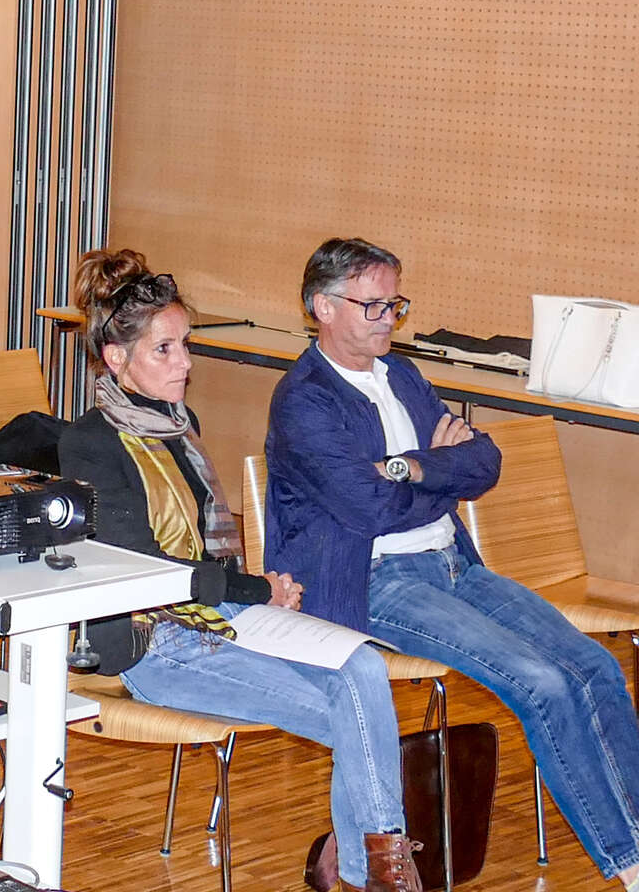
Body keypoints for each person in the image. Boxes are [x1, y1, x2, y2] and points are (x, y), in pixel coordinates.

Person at [268, 237, 639, 889]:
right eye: (374, 305)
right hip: (375, 582)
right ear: (323, 307)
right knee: (541, 683)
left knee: (594, 666)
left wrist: (409, 468)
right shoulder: (305, 400)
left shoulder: (401, 375)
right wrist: (435, 471)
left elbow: (484, 464)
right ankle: (627, 861)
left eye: (396, 304)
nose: (390, 319)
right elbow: (370, 509)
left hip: (452, 565)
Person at [61, 249, 417, 891]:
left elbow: (205, 552)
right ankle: (374, 873)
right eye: (165, 350)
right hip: (155, 639)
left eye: (186, 346)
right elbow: (153, 574)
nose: (187, 363)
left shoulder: (176, 422)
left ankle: (365, 871)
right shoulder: (91, 442)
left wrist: (255, 594)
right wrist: (263, 587)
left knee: (363, 667)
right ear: (117, 359)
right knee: (357, 718)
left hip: (221, 616)